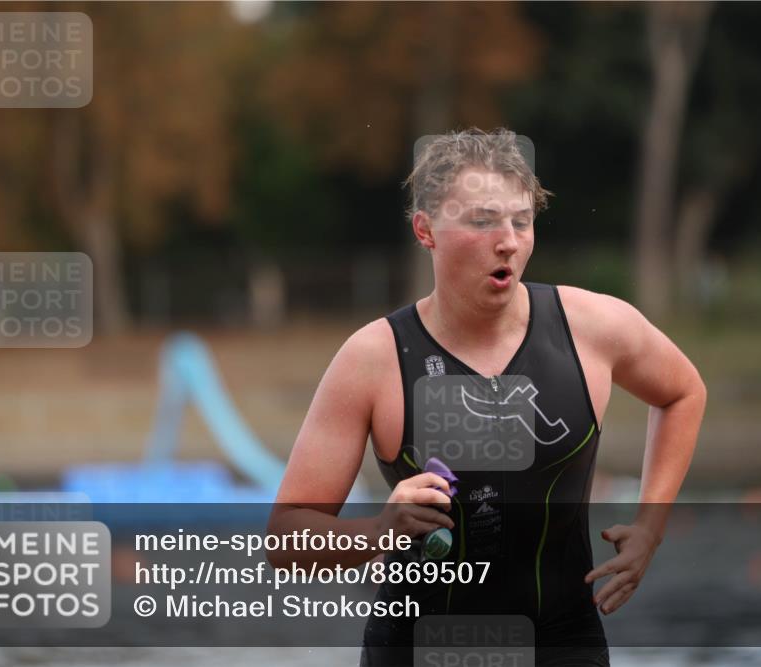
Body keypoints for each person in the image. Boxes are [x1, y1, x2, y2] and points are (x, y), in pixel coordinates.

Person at [267, 128, 707, 666]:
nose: (509, 242)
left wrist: (650, 527)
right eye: (482, 221)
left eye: (521, 221)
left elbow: (683, 392)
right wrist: (377, 532)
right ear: (425, 230)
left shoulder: (593, 327)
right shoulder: (373, 359)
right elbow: (285, 538)